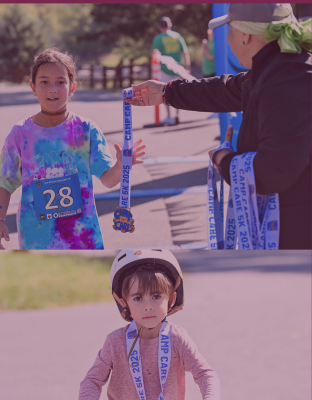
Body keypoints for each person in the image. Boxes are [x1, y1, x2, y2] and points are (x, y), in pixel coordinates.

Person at [127, 3, 311, 249]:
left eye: (230, 30)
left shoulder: (286, 78)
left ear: (245, 34)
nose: (228, 39)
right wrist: (165, 93)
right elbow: (224, 90)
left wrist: (224, 160)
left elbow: (276, 170)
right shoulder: (278, 67)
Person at [0, 49, 146, 250]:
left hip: (82, 239)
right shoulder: (20, 133)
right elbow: (4, 183)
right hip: (37, 240)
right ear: (33, 87)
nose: (52, 89)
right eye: (44, 82)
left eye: (60, 82)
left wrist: (121, 165)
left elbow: (108, 179)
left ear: (72, 87)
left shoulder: (86, 129)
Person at [79, 249, 219, 399]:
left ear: (172, 299)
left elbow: (205, 375)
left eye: (156, 296)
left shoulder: (178, 339)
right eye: (138, 298)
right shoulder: (115, 342)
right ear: (124, 302)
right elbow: (92, 380)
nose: (148, 306)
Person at [150, 17, 190, 126]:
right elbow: (185, 52)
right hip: (177, 69)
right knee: (178, 93)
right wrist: (188, 66)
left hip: (164, 70)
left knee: (165, 93)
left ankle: (169, 117)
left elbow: (154, 55)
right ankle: (177, 115)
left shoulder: (158, 38)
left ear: (160, 27)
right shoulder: (177, 36)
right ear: (170, 26)